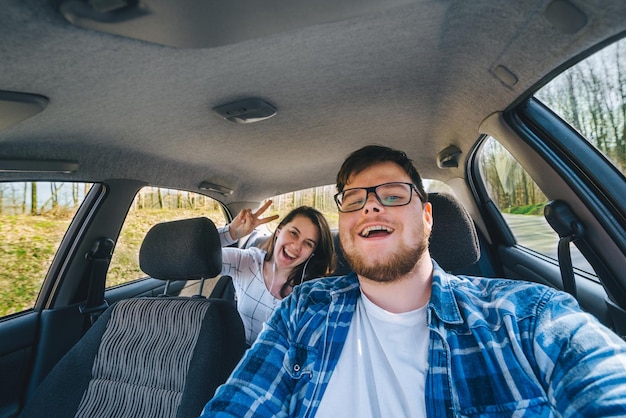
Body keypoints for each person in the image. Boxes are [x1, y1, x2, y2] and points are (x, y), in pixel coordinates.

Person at [201, 145, 626, 417]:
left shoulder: (529, 316)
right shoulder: (304, 309)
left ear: (426, 218)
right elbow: (240, 404)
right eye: (354, 200)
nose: (370, 208)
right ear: (344, 224)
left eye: (392, 195)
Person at [217, 203, 335, 345]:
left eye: (308, 243)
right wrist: (230, 234)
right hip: (239, 354)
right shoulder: (247, 261)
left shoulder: (312, 292)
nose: (296, 246)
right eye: (293, 233)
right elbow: (193, 255)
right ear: (279, 230)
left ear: (312, 253)